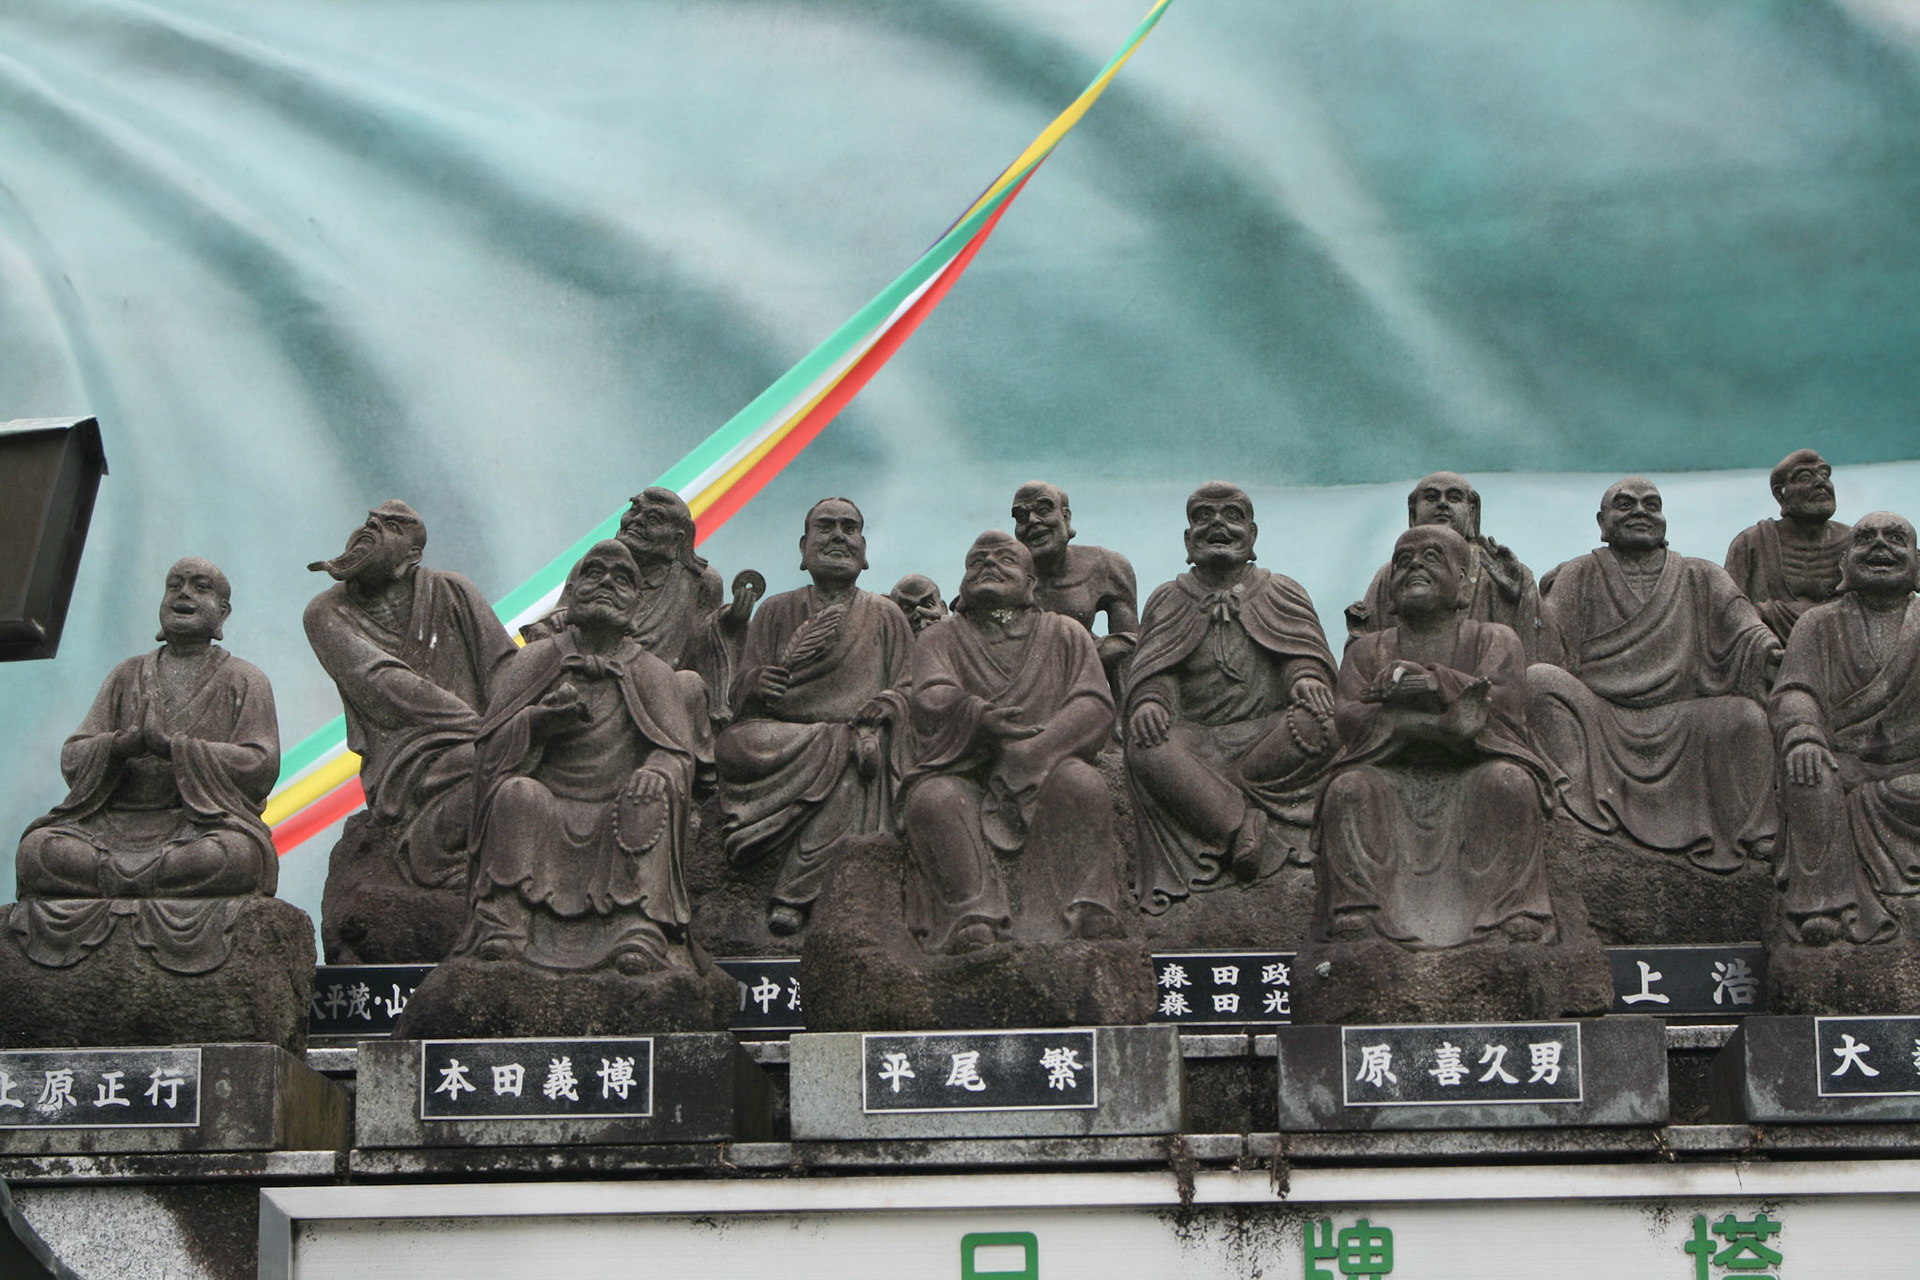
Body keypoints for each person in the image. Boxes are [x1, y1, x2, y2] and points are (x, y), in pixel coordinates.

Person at [15, 559, 280, 973]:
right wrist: (119, 746)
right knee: (38, 851)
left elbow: (260, 763)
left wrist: (175, 748)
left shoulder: (244, 679)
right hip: (110, 830)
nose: (184, 594)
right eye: (174, 585)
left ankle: (118, 880)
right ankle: (141, 880)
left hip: (195, 828)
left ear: (223, 612)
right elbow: (73, 754)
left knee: (236, 856)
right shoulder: (127, 674)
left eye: (200, 587)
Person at [459, 540, 701, 973]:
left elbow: (678, 755)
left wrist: (658, 770)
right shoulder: (535, 660)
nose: (606, 583)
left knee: (649, 796)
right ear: (570, 591)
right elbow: (488, 753)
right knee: (516, 794)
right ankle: (507, 921)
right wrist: (536, 724)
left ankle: (633, 927)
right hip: (546, 808)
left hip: (617, 807)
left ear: (637, 602)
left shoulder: (653, 673)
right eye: (594, 573)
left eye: (622, 578)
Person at [1315, 526, 1557, 948]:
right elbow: (1350, 718)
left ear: (1462, 584)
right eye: (1403, 561)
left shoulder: (1494, 639)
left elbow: (1503, 703)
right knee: (1348, 789)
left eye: (1431, 557)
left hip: (1472, 768)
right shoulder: (1367, 651)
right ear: (1390, 589)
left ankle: (1512, 911)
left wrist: (1433, 682)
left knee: (1511, 784)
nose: (1415, 567)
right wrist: (1432, 723)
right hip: (1391, 772)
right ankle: (1360, 910)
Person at [1528, 477, 1781, 871]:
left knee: (1747, 718)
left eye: (1651, 504)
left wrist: (1770, 652)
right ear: (1602, 522)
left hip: (1683, 717)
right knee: (1540, 681)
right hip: (1600, 718)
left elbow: (1746, 628)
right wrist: (1522, 598)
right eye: (1625, 504)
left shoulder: (1701, 574)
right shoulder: (1579, 574)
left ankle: (1754, 834)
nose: (1640, 512)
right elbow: (1550, 644)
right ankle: (1574, 809)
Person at [900, 531, 1126, 954]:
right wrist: (976, 715)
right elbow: (929, 696)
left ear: (1031, 583)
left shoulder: (1065, 634)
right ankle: (971, 914)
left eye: (1004, 559)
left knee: (1082, 783)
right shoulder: (939, 638)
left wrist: (1038, 751)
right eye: (977, 561)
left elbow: (1094, 703)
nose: (988, 564)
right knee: (933, 800)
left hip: (1050, 764)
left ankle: (1087, 904)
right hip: (967, 768)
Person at [1124, 482, 1339, 911]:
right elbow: (1157, 671)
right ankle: (1240, 824)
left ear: (1252, 535)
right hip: (1197, 742)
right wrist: (1151, 702)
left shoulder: (1282, 591)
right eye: (1203, 517)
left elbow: (1301, 654)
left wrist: (1305, 678)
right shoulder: (1168, 598)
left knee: (1326, 725)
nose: (1217, 525)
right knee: (1146, 747)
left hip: (1266, 741)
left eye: (1232, 516)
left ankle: (1219, 799)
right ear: (1188, 539)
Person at [305, 501, 516, 905]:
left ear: (413, 555)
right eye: (369, 521)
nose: (371, 527)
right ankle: (428, 853)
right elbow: (382, 684)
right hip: (408, 756)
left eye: (391, 526)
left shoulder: (453, 590)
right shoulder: (326, 612)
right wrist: (485, 733)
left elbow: (503, 665)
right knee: (491, 764)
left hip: (487, 736)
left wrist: (520, 717)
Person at [716, 499, 912, 935]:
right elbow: (740, 692)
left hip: (858, 736)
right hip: (783, 739)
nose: (838, 535)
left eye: (849, 528)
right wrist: (755, 684)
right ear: (804, 549)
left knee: (857, 761)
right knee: (733, 745)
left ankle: (795, 893)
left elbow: (909, 688)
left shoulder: (886, 615)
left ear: (864, 550)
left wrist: (887, 704)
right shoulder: (775, 611)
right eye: (825, 527)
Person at [1770, 512, 1920, 946]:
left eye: (1895, 538)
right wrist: (1804, 735)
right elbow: (1795, 691)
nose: (1880, 546)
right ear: (1844, 563)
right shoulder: (1818, 623)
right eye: (1865, 538)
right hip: (1843, 764)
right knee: (1809, 772)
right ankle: (1824, 906)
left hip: (1912, 771)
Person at [1345, 471, 1551, 661]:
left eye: (1453, 498)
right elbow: (1364, 651)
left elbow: (1544, 649)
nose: (1443, 504)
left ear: (1472, 512)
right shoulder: (1393, 572)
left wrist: (1520, 595)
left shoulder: (1497, 570)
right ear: (1413, 514)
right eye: (1431, 497)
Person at [1011, 481, 1139, 689]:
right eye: (1022, 517)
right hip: (1025, 690)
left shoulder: (1107, 566)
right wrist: (1093, 650)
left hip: (1083, 689)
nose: (1033, 521)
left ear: (1066, 517)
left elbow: (1128, 655)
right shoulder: (1008, 579)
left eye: (1043, 510)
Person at [1725, 448, 1852, 642]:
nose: (1821, 483)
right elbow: (1728, 613)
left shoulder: (1854, 542)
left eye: (1825, 475)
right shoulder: (1751, 543)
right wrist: (1768, 615)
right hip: (1771, 651)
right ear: (1780, 494)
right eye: (1805, 478)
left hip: (1839, 648)